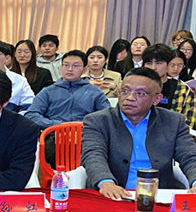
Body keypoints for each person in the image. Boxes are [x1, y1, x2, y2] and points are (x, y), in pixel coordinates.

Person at [81, 67, 196, 197]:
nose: (130, 97)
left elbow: (190, 156)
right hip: (113, 192)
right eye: (125, 91)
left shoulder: (173, 121)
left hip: (160, 194)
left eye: (140, 93)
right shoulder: (98, 120)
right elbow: (93, 154)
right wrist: (106, 182)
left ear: (157, 99)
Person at [25, 50, 109, 129]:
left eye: (75, 66)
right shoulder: (48, 91)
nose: (70, 69)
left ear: (84, 69)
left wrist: (86, 125)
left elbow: (107, 116)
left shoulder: (94, 92)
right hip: (54, 133)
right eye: (66, 65)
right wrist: (57, 125)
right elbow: (31, 115)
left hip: (85, 134)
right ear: (61, 67)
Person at [142, 44, 195, 129]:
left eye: (158, 63)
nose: (153, 67)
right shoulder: (136, 87)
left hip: (171, 133)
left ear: (168, 64)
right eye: (148, 63)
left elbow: (187, 123)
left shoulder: (183, 89)